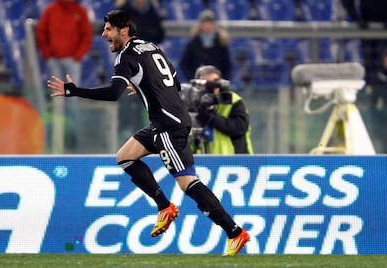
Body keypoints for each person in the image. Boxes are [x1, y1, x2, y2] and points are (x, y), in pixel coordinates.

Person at [47, 9, 250, 256]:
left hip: (167, 125)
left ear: (124, 30)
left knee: (188, 183)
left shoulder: (126, 57)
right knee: (125, 156)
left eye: (108, 29)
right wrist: (142, 84)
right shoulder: (149, 46)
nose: (104, 34)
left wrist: (74, 91)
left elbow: (113, 94)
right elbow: (173, 82)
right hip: (167, 121)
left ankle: (234, 232)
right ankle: (165, 207)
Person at [36, 0, 93, 151]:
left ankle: (73, 139)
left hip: (72, 61)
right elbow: (42, 32)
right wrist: (48, 55)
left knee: (72, 101)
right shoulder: (51, 10)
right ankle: (53, 139)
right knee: (56, 100)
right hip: (54, 60)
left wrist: (77, 56)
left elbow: (87, 35)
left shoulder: (79, 12)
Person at [193, 65, 254, 154]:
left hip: (234, 162)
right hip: (202, 161)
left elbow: (239, 128)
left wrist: (211, 117)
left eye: (215, 83)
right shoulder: (192, 103)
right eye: (207, 84)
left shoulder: (232, 100)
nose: (212, 88)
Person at [180, 9, 231, 81]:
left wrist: (221, 79)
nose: (207, 26)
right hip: (198, 82)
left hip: (216, 81)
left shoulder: (221, 42)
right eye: (205, 23)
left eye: (209, 23)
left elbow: (227, 65)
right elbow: (184, 63)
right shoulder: (193, 43)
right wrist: (193, 79)